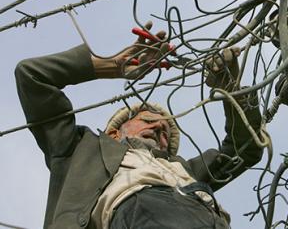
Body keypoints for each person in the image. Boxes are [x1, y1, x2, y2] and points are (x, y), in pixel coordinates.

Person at [15, 22, 263, 229]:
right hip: (137, 212)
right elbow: (33, 76)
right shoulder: (80, 151)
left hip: (204, 217)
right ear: (114, 133)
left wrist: (232, 89)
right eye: (148, 120)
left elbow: (246, 148)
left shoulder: (183, 170)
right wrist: (113, 66)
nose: (158, 129)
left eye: (165, 133)